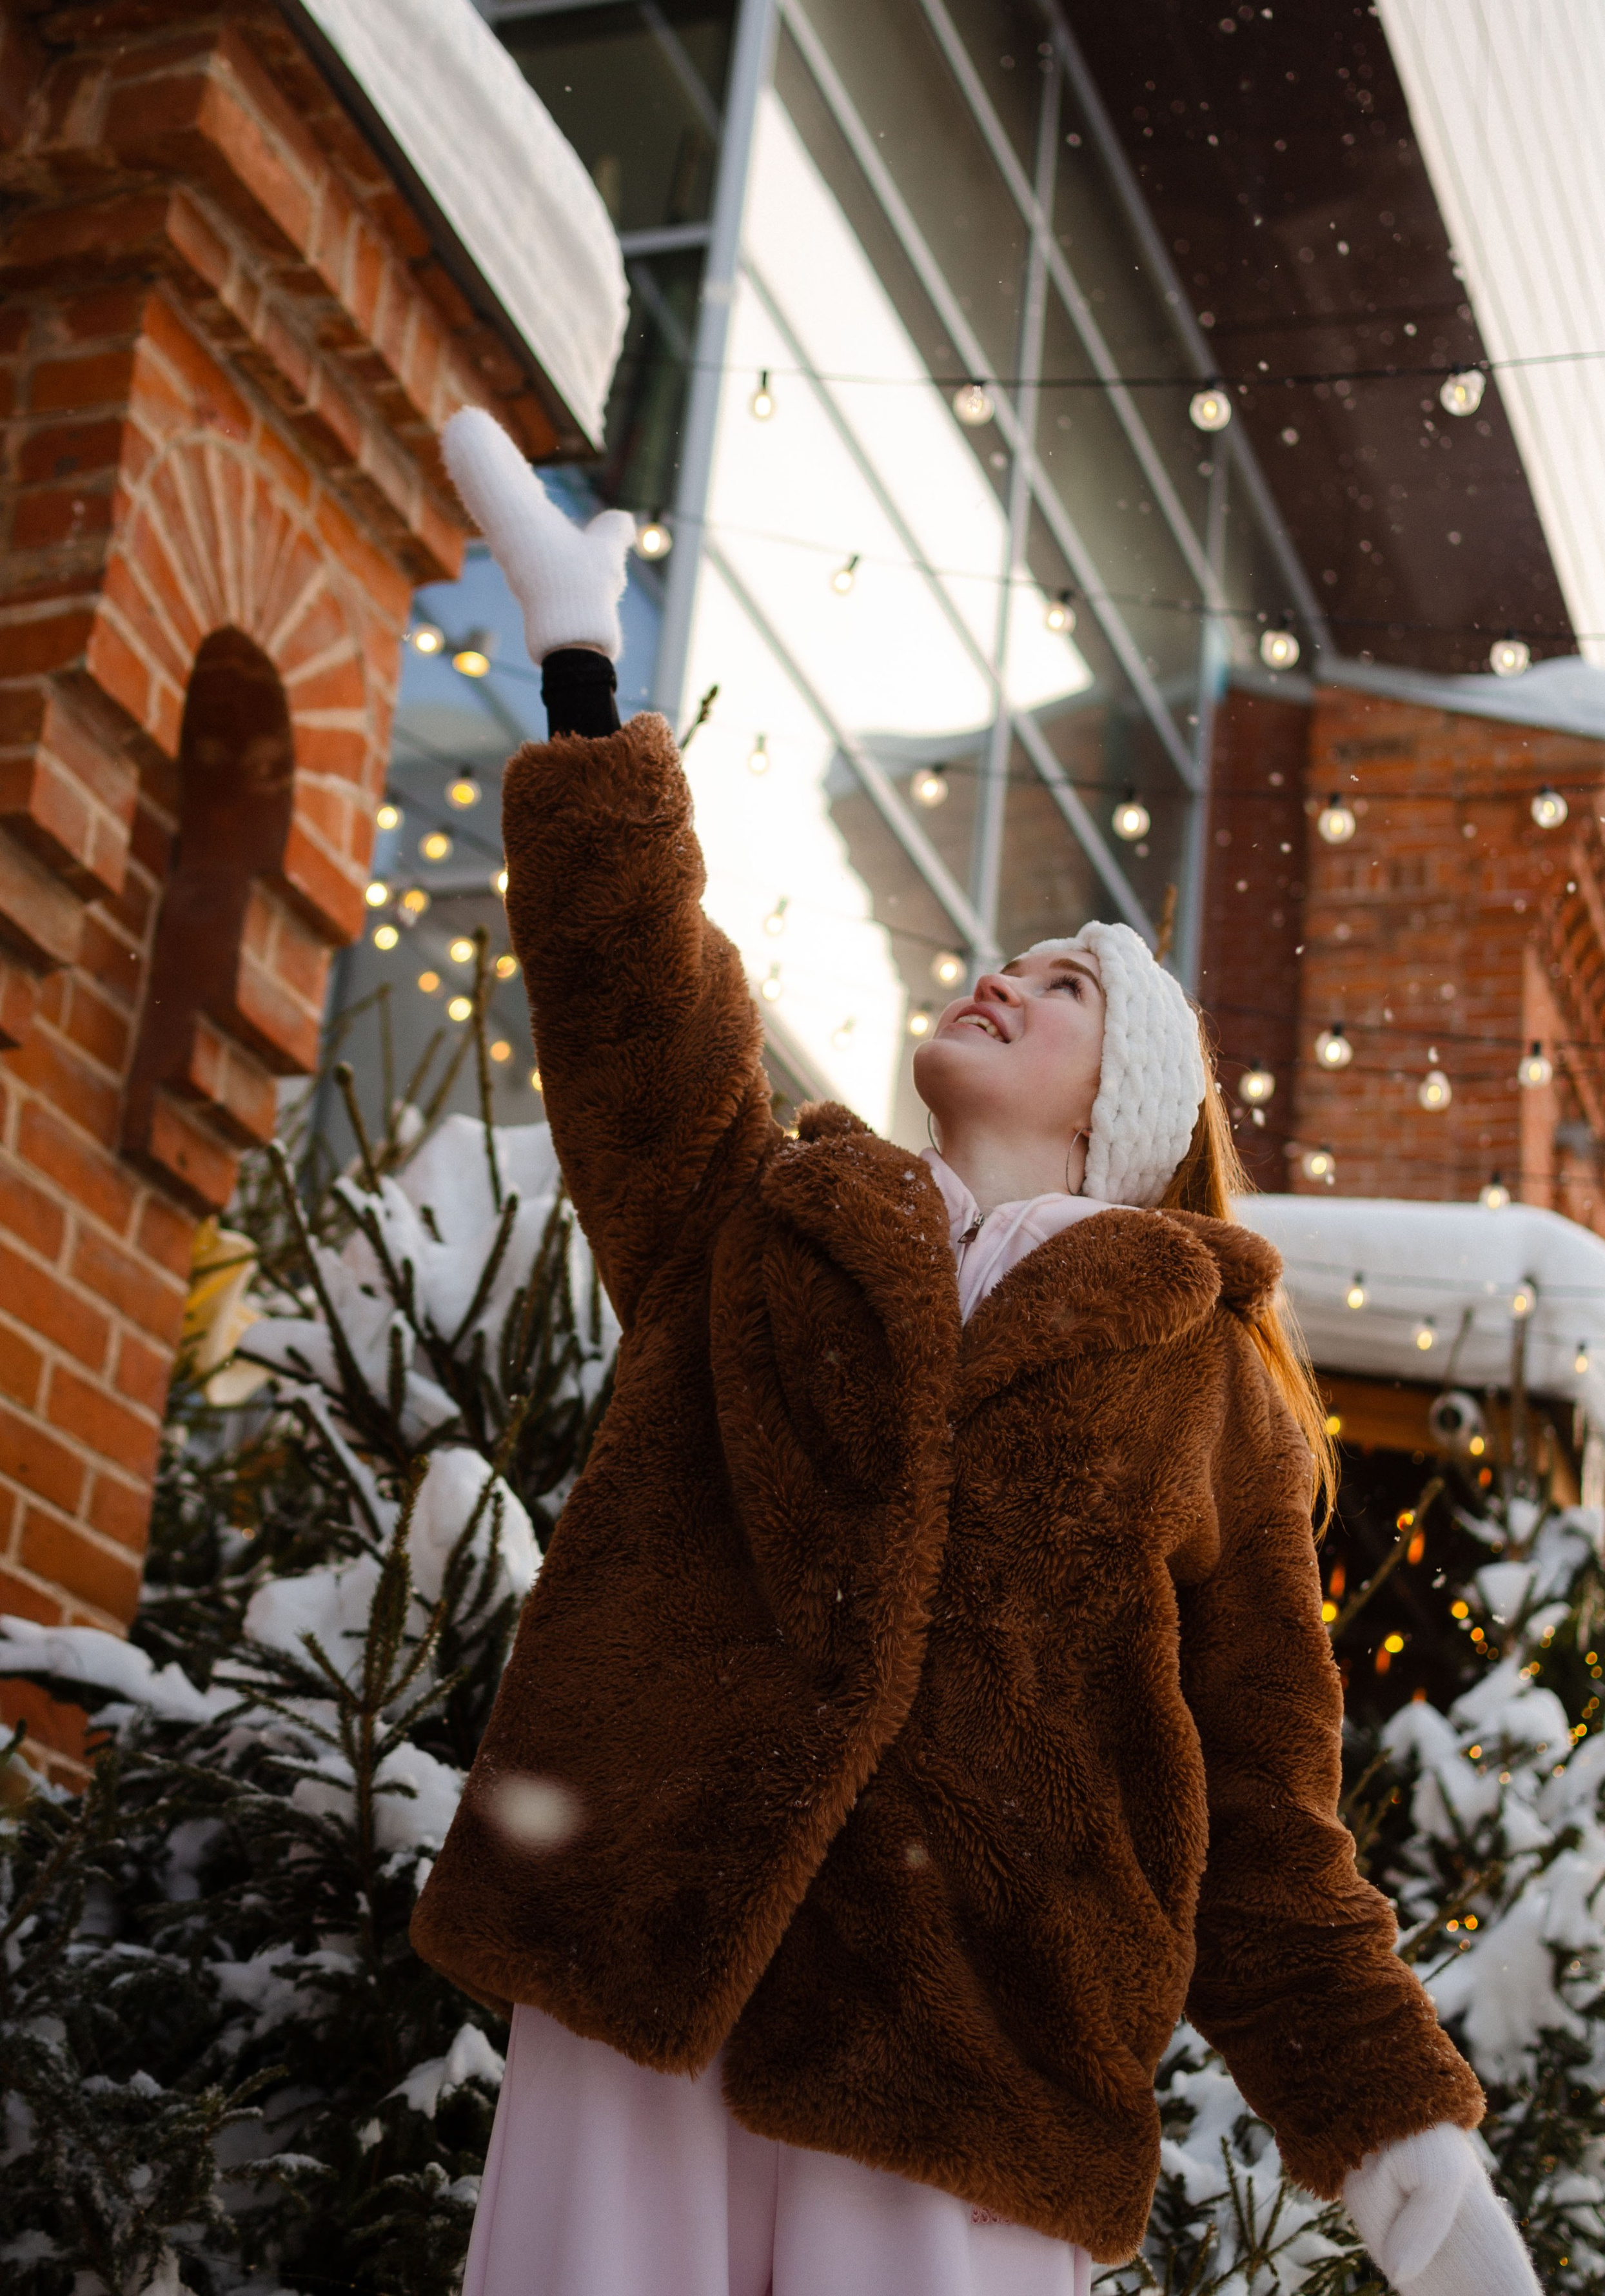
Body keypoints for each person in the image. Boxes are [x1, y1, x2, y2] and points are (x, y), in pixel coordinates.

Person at [411, 410, 1539, 2296]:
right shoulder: (758, 1225)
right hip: (647, 1991)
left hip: (965, 2073)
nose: (1009, 972)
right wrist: (583, 664)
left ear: (1134, 1111)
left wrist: (1412, 2160)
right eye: (1014, 952)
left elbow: (1264, 1821)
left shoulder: (1209, 1395)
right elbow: (632, 1001)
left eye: (1073, 980)